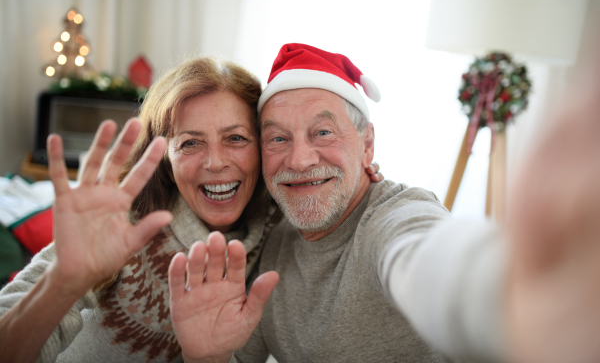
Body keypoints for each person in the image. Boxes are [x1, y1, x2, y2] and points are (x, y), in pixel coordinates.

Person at [167, 43, 600, 363]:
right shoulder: (270, 241)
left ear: (367, 146)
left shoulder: (392, 217)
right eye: (278, 138)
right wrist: (204, 358)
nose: (299, 159)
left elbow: (426, 253)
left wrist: (515, 291)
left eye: (323, 132)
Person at [0, 55, 385, 363]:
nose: (215, 163)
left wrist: (357, 173)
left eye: (236, 138)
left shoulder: (280, 219)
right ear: (164, 156)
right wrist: (63, 282)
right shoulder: (122, 226)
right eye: (190, 143)